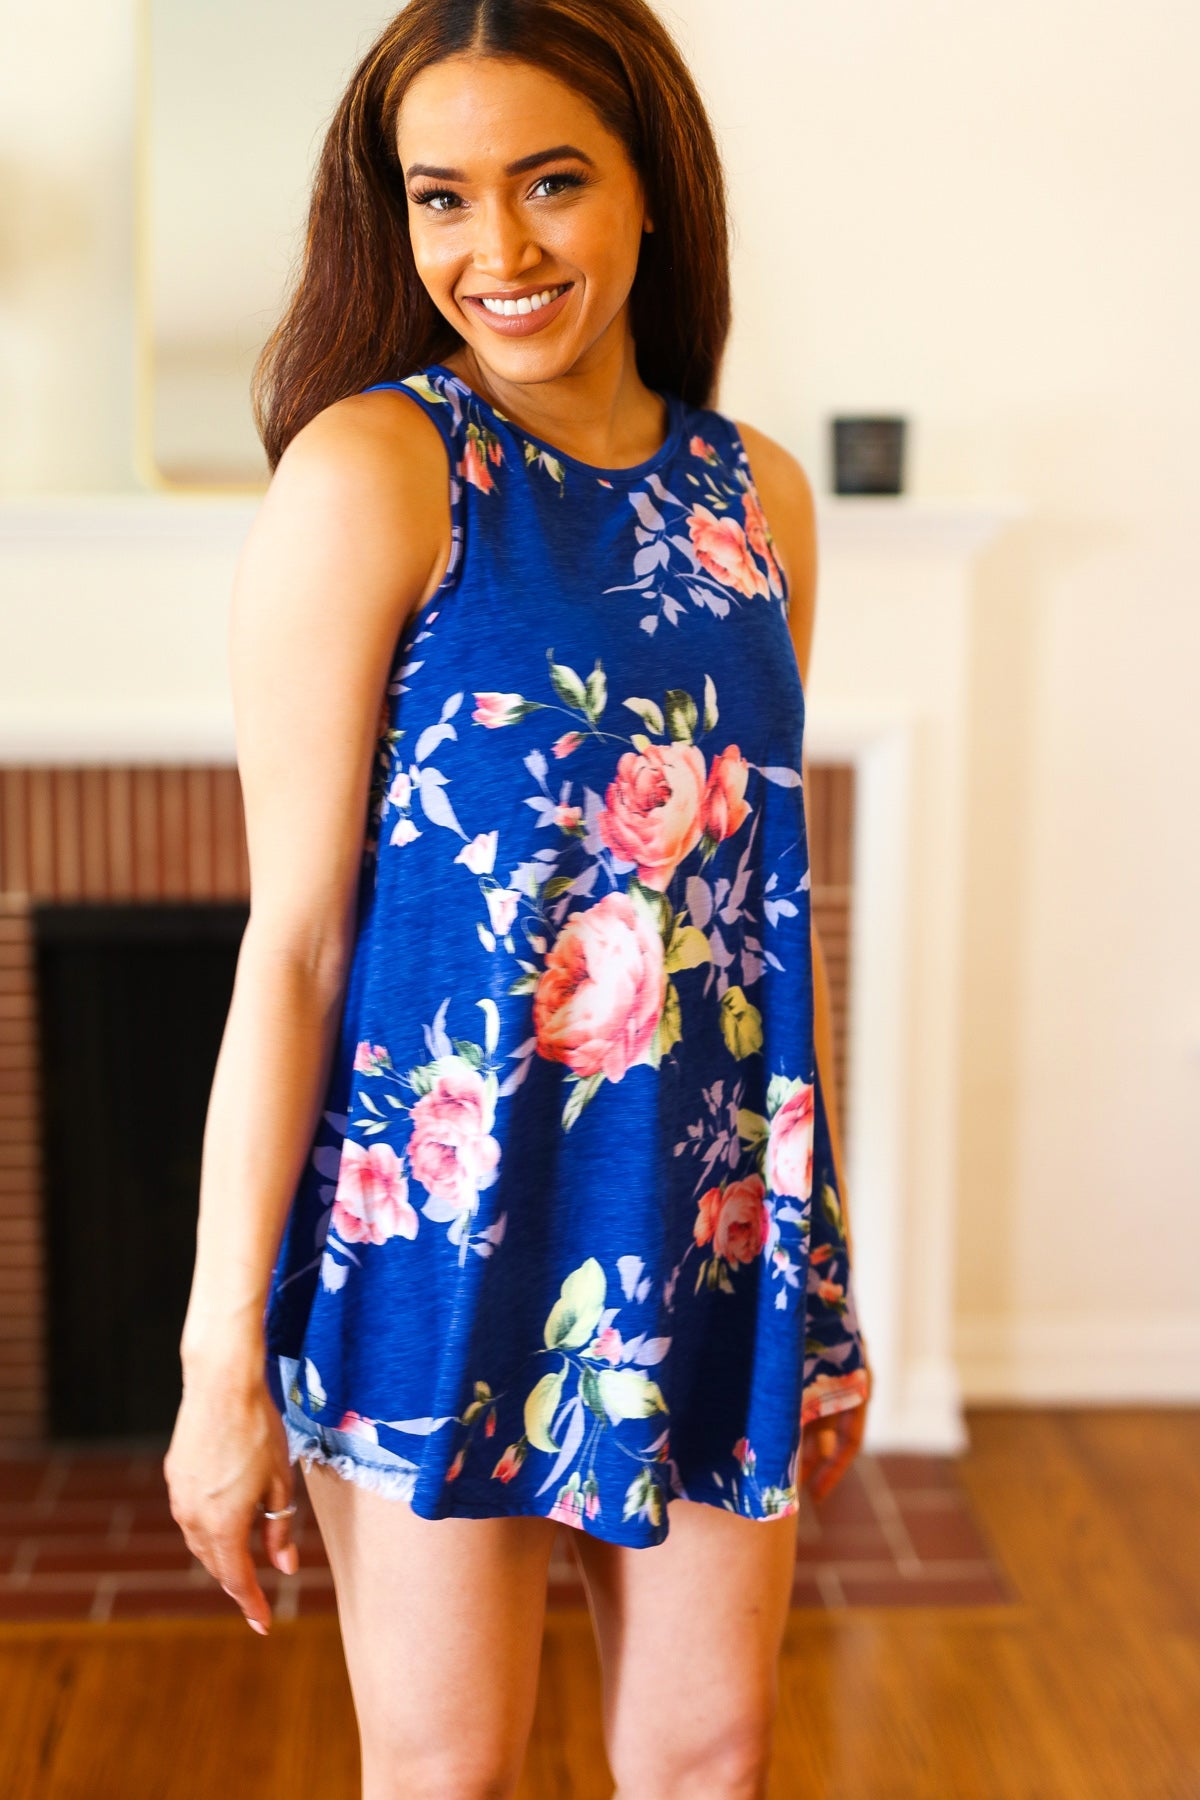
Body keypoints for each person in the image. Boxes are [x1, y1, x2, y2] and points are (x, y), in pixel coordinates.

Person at [165, 1, 871, 1794]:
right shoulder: (376, 471)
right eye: (443, 197)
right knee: (449, 1774)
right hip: (437, 1237)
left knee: (713, 1759)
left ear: (650, 191)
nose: (499, 247)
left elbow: (750, 930)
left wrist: (821, 1268)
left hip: (708, 1232)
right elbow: (296, 945)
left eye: (552, 182)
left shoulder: (760, 502)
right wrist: (215, 1359)